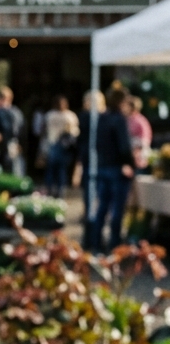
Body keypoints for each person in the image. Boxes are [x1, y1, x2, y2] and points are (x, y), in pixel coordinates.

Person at [78, 90, 133, 251]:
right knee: (116, 208)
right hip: (116, 168)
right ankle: (114, 242)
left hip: (102, 167)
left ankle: (96, 240)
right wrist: (128, 162)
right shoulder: (118, 120)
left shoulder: (102, 119)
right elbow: (124, 145)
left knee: (102, 206)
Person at [43, 96, 79, 197]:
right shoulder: (50, 115)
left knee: (61, 170)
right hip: (52, 144)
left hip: (64, 146)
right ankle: (50, 190)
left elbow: (75, 132)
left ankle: (60, 191)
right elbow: (44, 131)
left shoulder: (70, 116)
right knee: (51, 170)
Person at [0, 87, 25, 175]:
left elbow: (16, 131)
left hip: (9, 145)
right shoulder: (17, 112)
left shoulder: (11, 113)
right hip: (7, 145)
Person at [124, 95, 152, 173]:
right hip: (130, 156)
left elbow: (144, 140)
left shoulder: (140, 121)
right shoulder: (127, 119)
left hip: (139, 157)